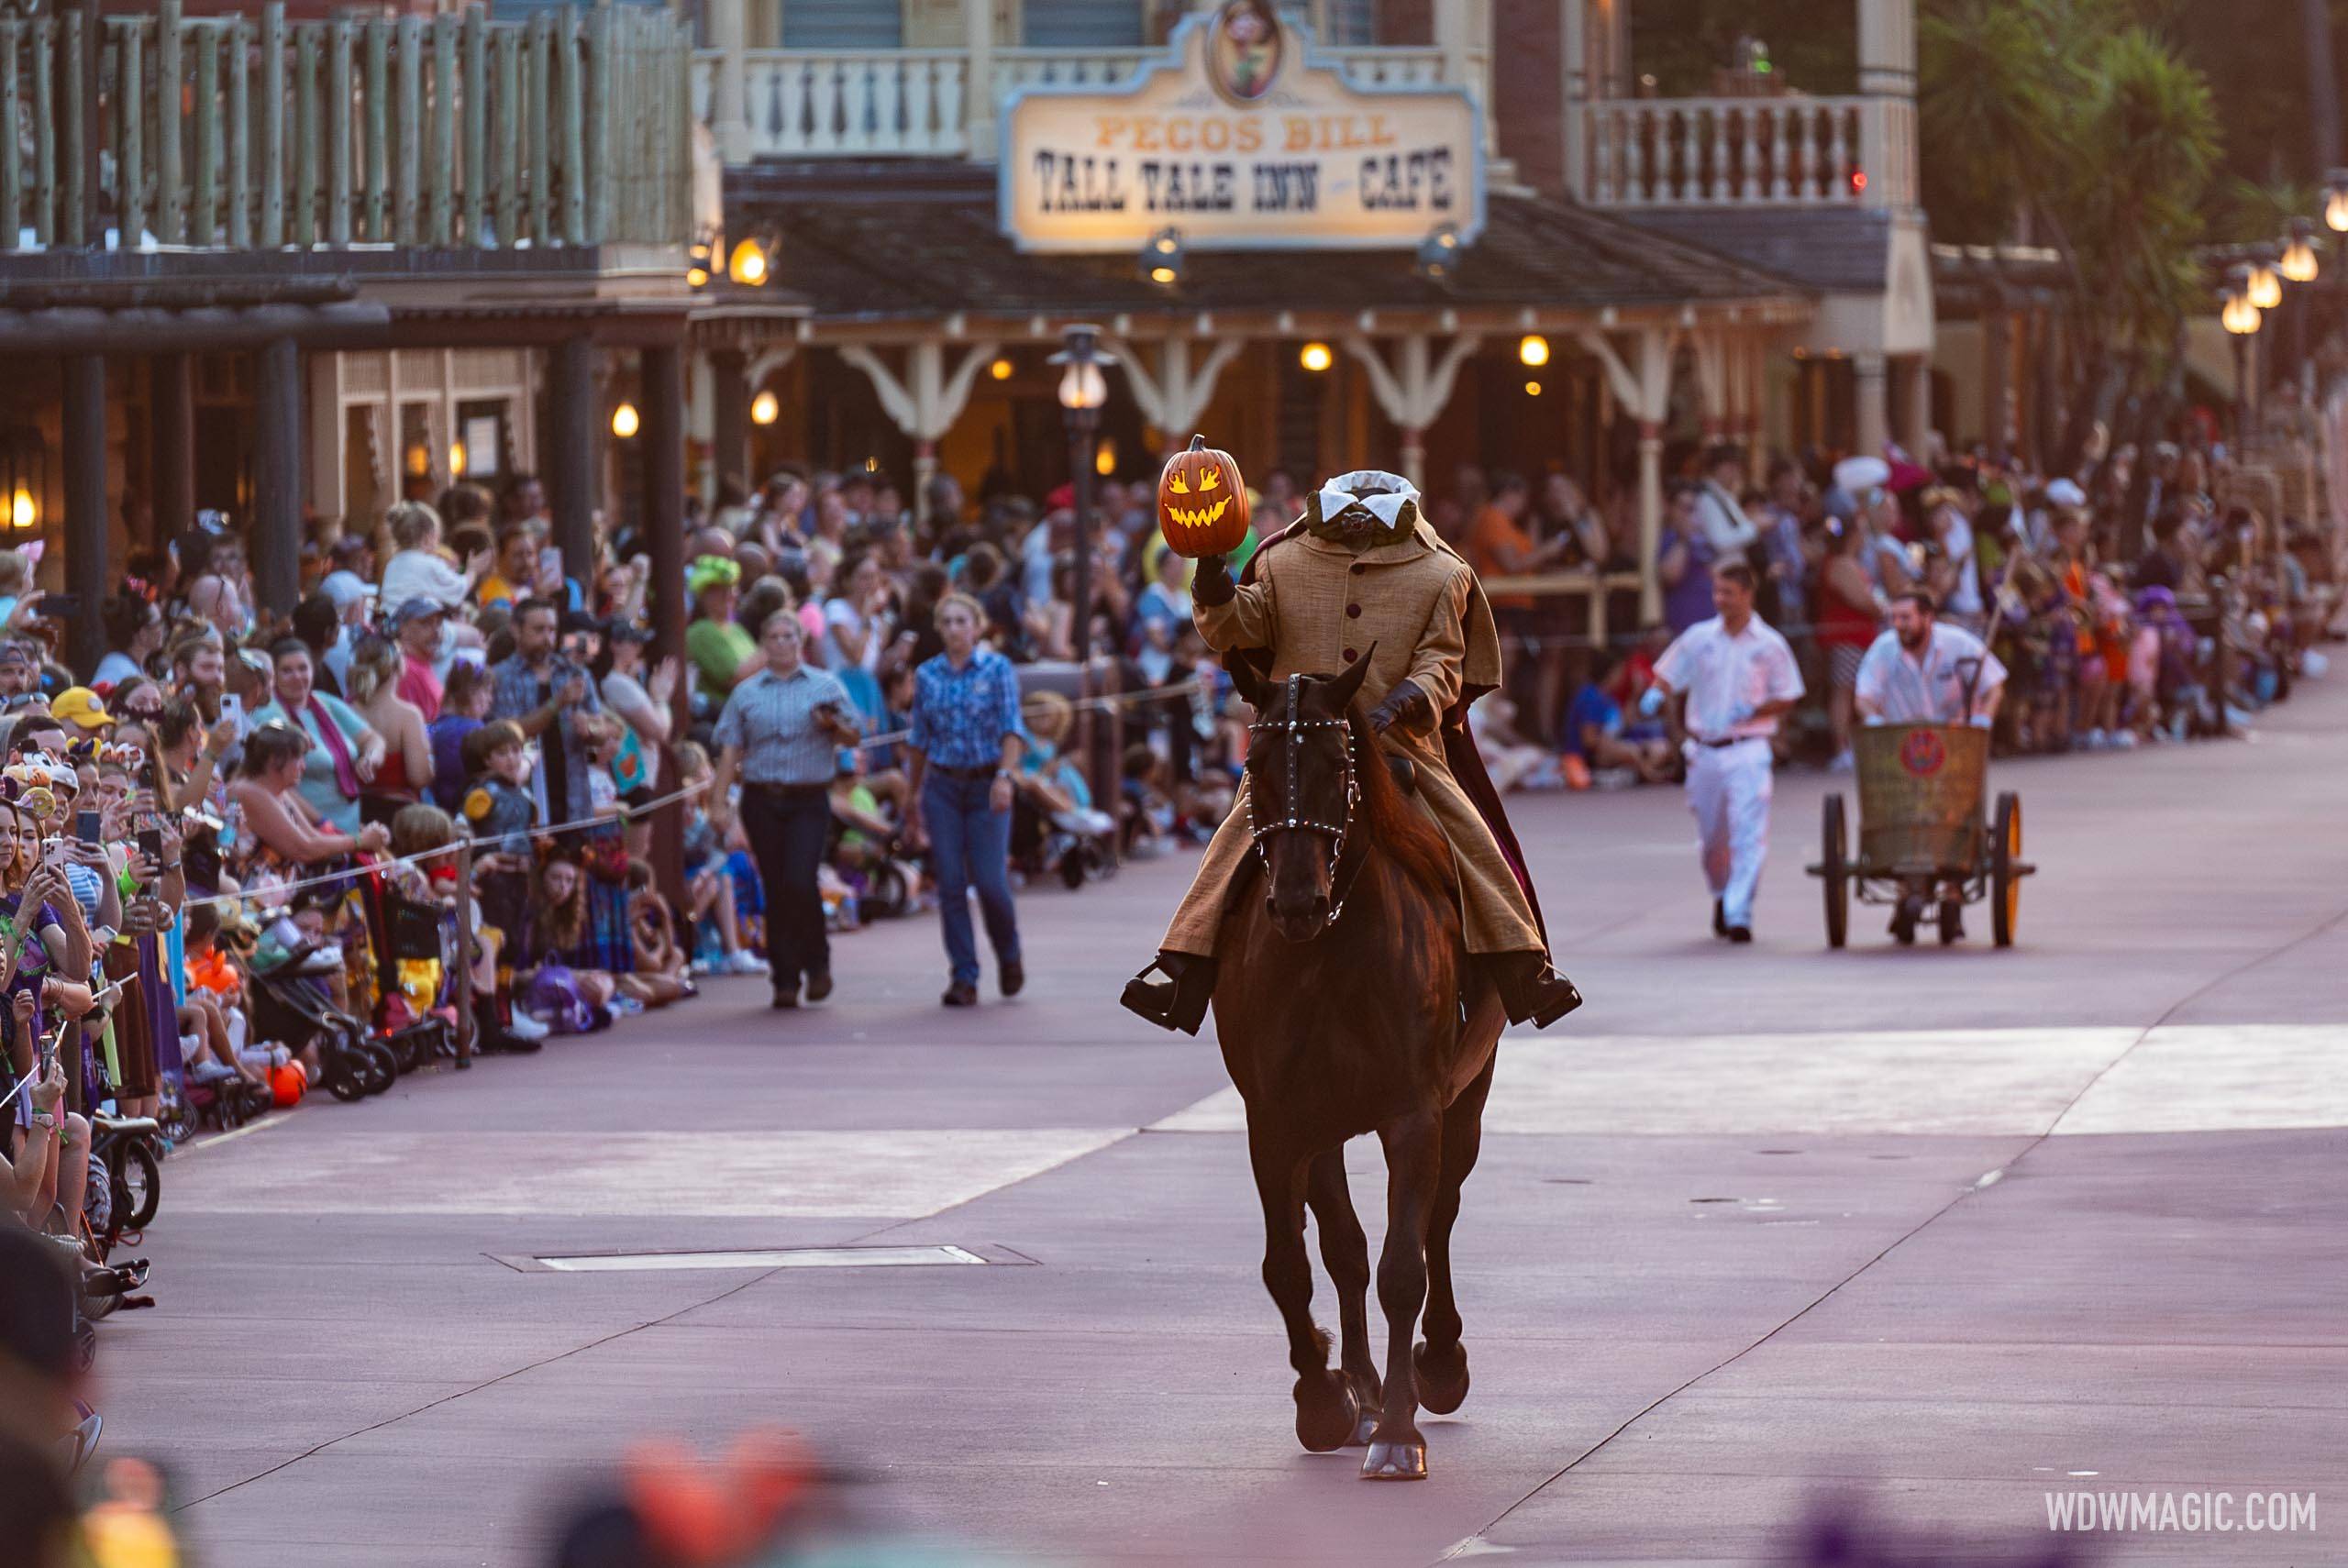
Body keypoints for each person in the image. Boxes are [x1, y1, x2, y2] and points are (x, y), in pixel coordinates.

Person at [1122, 469, 1580, 1033]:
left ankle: (1521, 962)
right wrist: (1212, 573)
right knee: (1233, 840)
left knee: (1471, 837)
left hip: (1401, 746)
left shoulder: (1443, 573)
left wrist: (1399, 704)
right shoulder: (1279, 561)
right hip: (1297, 746)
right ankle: (1182, 968)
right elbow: (1234, 628)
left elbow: (1443, 663)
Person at [1641, 560, 1805, 944]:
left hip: (1748, 748)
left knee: (1748, 832)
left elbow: (1787, 695)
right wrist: (1656, 693)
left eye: (1728, 593)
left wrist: (1755, 711)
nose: (1721, 600)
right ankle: (1722, 891)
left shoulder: (1769, 644)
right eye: (1717, 592)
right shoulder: (1700, 638)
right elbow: (1669, 672)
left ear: (1747, 594)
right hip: (1704, 750)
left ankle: (1739, 910)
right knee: (1713, 837)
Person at [706, 611, 860, 1010]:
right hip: (762, 797)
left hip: (809, 797)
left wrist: (831, 725)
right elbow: (729, 751)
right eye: (772, 636)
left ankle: (818, 962)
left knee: (800, 878)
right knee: (775, 885)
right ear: (763, 643)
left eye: (788, 635)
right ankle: (785, 977)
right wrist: (718, 802)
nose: (781, 643)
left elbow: (855, 733)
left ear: (801, 639)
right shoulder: (747, 692)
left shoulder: (825, 685)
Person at [903, 593, 1025, 1008]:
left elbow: (1012, 727)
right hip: (942, 786)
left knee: (991, 883)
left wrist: (1005, 776)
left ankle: (1009, 953)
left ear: (976, 626)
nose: (955, 629)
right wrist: (911, 794)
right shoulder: (927, 675)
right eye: (947, 622)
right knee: (951, 883)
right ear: (939, 628)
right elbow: (919, 740)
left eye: (962, 621)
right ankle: (964, 974)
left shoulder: (997, 669)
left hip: (985, 784)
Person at [249, 637, 386, 837]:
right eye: (287, 671)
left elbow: (373, 739)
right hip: (309, 831)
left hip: (350, 828)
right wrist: (322, 824)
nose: (297, 677)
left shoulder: (324, 702)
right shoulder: (268, 715)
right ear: (274, 676)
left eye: (303, 668)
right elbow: (275, 785)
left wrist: (370, 758)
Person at [1855, 591, 2007, 728]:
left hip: (1957, 739)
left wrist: (1983, 720)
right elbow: (1864, 697)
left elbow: (1993, 687)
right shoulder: (1883, 648)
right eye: (1893, 618)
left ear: (1927, 618)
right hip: (1904, 743)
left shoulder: (1959, 643)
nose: (1897, 625)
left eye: (1905, 618)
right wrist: (1873, 720)